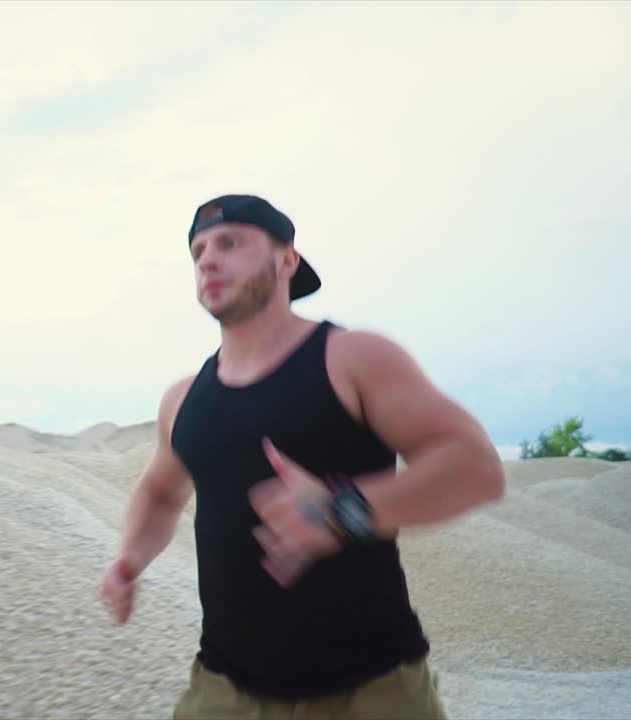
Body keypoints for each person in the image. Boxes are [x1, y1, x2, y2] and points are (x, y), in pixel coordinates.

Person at [100, 194, 506, 719]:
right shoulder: (184, 400)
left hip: (371, 691)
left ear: (287, 260)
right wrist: (129, 558)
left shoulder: (352, 358)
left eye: (230, 243)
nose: (208, 260)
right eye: (198, 251)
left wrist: (343, 511)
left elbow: (477, 468)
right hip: (224, 691)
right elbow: (159, 492)